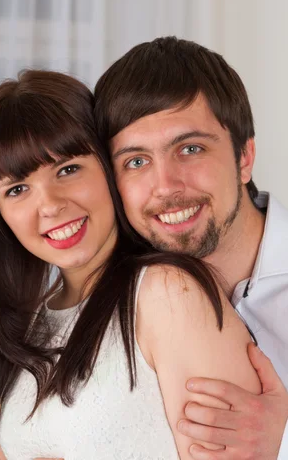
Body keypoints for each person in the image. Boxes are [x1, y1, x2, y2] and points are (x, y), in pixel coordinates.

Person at [0, 69, 260, 460]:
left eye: (68, 170)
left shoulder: (166, 294)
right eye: (17, 189)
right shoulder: (35, 319)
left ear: (108, 168)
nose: (50, 204)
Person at [93, 35, 288, 460]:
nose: (166, 186)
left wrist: (282, 438)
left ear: (244, 158)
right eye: (136, 161)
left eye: (191, 148)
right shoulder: (110, 293)